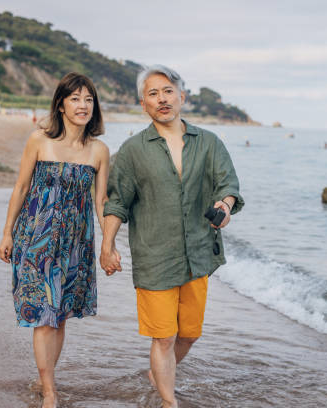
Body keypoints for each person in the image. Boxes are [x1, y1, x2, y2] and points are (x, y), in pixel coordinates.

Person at [100, 65, 244, 408]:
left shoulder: (208, 142)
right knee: (163, 337)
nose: (162, 99)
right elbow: (117, 201)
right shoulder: (133, 150)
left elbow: (229, 185)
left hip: (197, 254)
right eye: (153, 94)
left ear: (182, 96)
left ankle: (158, 373)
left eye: (167, 91)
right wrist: (106, 246)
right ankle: (169, 401)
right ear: (143, 104)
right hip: (154, 255)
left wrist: (224, 206)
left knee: (189, 334)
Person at [0, 72, 109, 408]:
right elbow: (20, 188)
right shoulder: (39, 140)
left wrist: (109, 244)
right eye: (75, 98)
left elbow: (101, 203)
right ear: (60, 104)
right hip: (36, 238)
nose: (83, 105)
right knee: (44, 314)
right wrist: (7, 232)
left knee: (59, 316)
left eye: (89, 99)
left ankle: (45, 376)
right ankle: (50, 391)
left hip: (76, 243)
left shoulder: (99, 151)